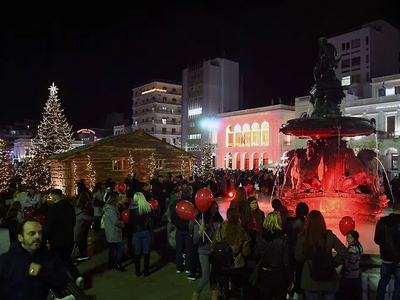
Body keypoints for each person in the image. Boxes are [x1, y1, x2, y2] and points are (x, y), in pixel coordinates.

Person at [0, 219, 69, 300]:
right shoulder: (5, 261)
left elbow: (63, 283)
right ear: (20, 238)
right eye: (32, 233)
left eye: (39, 233)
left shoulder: (49, 257)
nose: (37, 236)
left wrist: (43, 272)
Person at [295, 210, 348, 300]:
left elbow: (298, 257)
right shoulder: (329, 236)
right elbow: (344, 251)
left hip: (310, 280)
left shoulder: (302, 237)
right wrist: (334, 262)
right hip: (329, 278)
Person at [43, 189, 84, 288]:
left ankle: (61, 282)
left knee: (57, 261)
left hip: (56, 240)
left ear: (54, 197)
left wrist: (45, 238)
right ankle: (77, 276)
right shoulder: (69, 207)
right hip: (68, 237)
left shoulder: (54, 209)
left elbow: (49, 225)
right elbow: (73, 221)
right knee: (66, 259)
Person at [211, 208, 250, 300]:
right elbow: (246, 252)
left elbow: (214, 244)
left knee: (223, 286)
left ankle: (224, 294)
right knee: (235, 286)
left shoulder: (221, 228)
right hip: (236, 263)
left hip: (222, 262)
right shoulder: (241, 231)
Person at [253, 212, 292, 300]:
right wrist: (290, 279)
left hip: (264, 273)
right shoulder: (283, 238)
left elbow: (255, 255)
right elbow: (286, 261)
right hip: (279, 275)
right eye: (280, 220)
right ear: (277, 222)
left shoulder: (260, 236)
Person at [191, 201, 224, 300]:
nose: (215, 210)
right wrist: (200, 232)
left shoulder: (219, 220)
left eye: (216, 207)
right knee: (206, 276)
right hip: (204, 252)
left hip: (216, 252)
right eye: (213, 208)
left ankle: (214, 295)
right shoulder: (201, 221)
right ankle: (196, 293)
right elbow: (195, 240)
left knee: (216, 275)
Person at [374, 201, 400, 300]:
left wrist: (385, 247)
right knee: (398, 285)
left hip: (385, 258)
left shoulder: (382, 222)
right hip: (398, 260)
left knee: (383, 281)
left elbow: (376, 240)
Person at [286, 202, 309, 299]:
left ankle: (288, 292)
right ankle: (297, 293)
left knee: (289, 272)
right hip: (300, 251)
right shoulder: (306, 223)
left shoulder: (289, 221)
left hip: (289, 249)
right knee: (299, 272)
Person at [130, 192, 153, 277]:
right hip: (146, 231)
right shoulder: (148, 207)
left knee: (137, 252)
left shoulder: (132, 209)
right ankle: (146, 270)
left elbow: (130, 222)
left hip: (137, 232)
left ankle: (137, 270)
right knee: (146, 252)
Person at [103, 192, 127, 272]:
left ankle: (111, 263)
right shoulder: (111, 209)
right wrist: (122, 224)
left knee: (112, 248)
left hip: (111, 231)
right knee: (120, 247)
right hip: (114, 231)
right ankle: (118, 263)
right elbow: (115, 221)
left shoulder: (110, 208)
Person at [342, 230, 363, 300]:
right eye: (347, 237)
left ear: (355, 239)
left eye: (350, 238)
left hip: (350, 274)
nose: (348, 239)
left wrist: (346, 270)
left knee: (348, 294)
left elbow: (351, 261)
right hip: (356, 273)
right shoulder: (359, 246)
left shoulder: (352, 249)